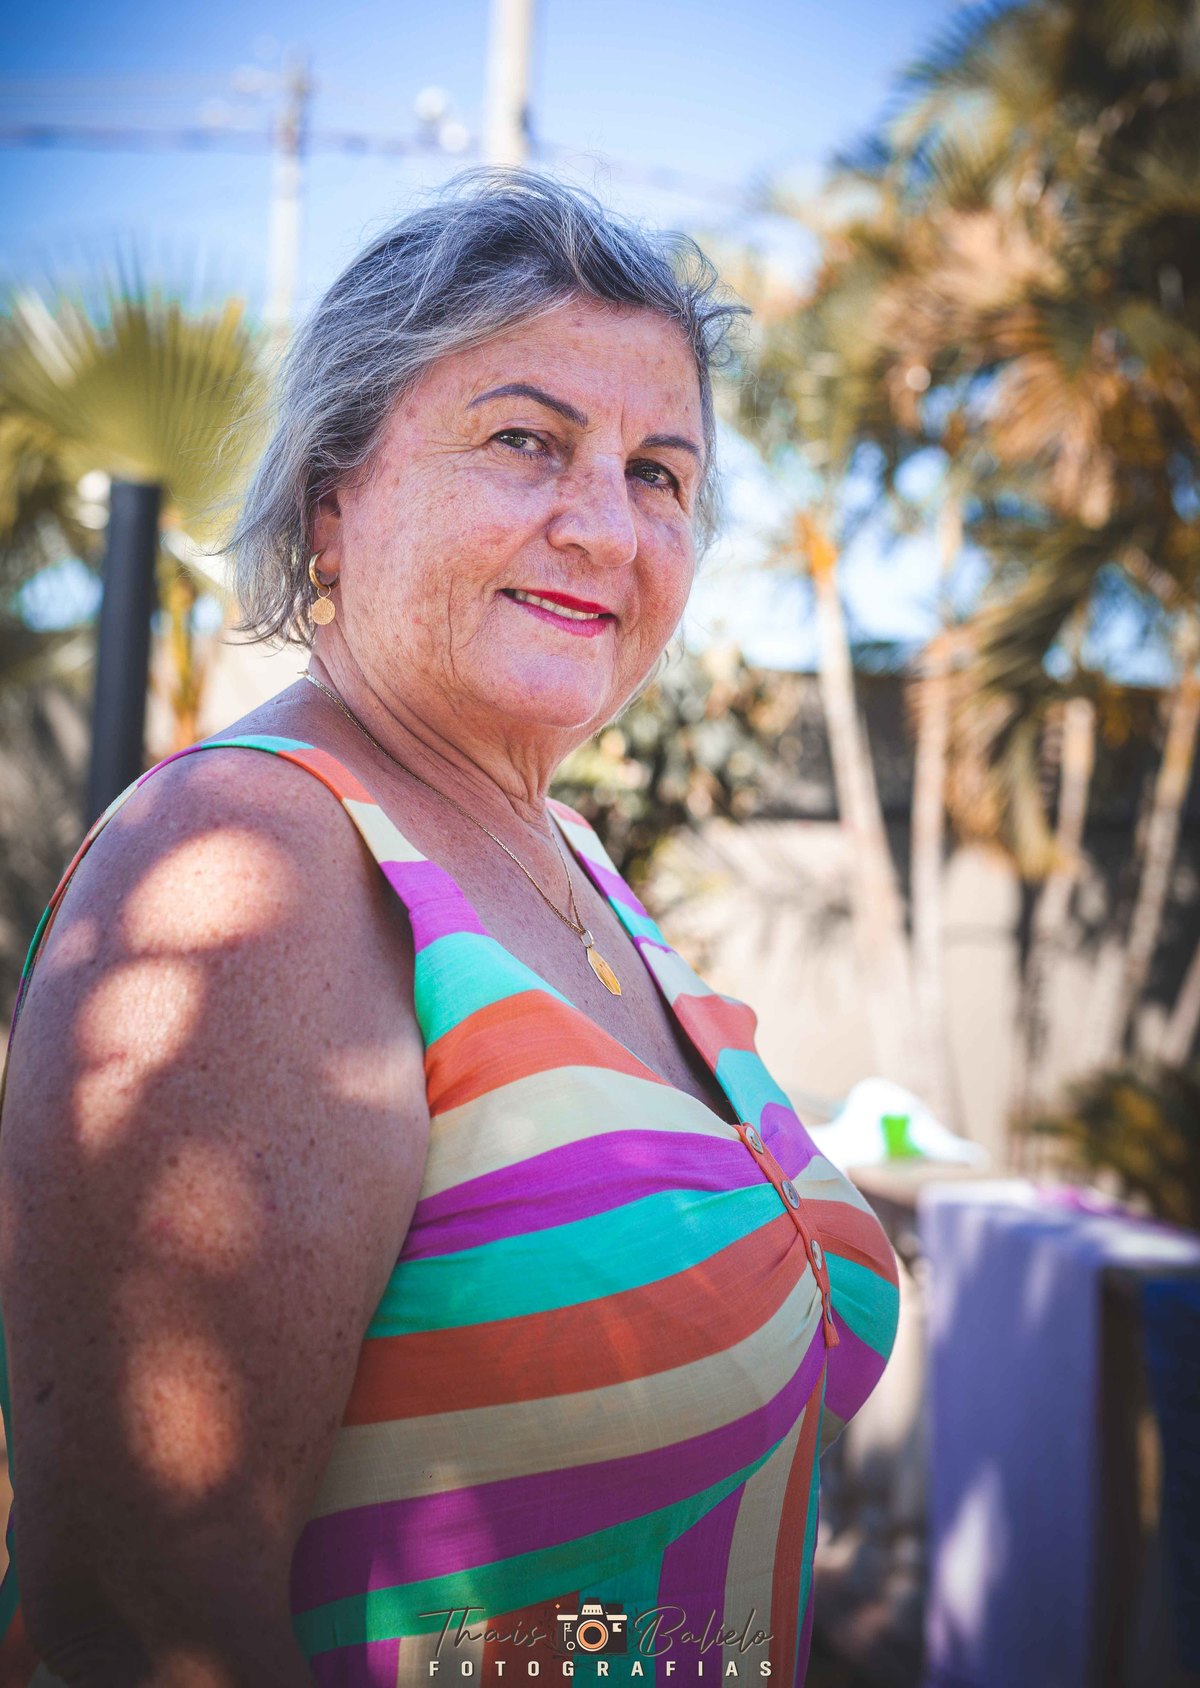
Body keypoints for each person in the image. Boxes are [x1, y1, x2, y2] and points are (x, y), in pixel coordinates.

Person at [0, 170, 900, 1688]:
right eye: (525, 440)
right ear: (332, 498)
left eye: (659, 473)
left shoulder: (566, 853)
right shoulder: (250, 865)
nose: (605, 527)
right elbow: (141, 1626)